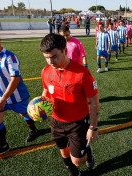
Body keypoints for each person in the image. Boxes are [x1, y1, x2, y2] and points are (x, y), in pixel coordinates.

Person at [40, 34, 99, 176]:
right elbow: (46, 90)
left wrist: (93, 127)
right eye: (47, 57)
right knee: (63, 151)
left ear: (65, 51)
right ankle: (74, 173)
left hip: (77, 123)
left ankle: (88, 154)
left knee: (78, 160)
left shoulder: (83, 73)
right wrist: (42, 108)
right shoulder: (46, 71)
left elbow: (94, 102)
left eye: (54, 56)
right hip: (56, 121)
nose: (50, 61)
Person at [0, 31, 38, 159]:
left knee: (25, 113)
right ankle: (3, 145)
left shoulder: (10, 57)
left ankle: (33, 129)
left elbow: (15, 79)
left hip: (16, 97)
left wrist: (4, 98)